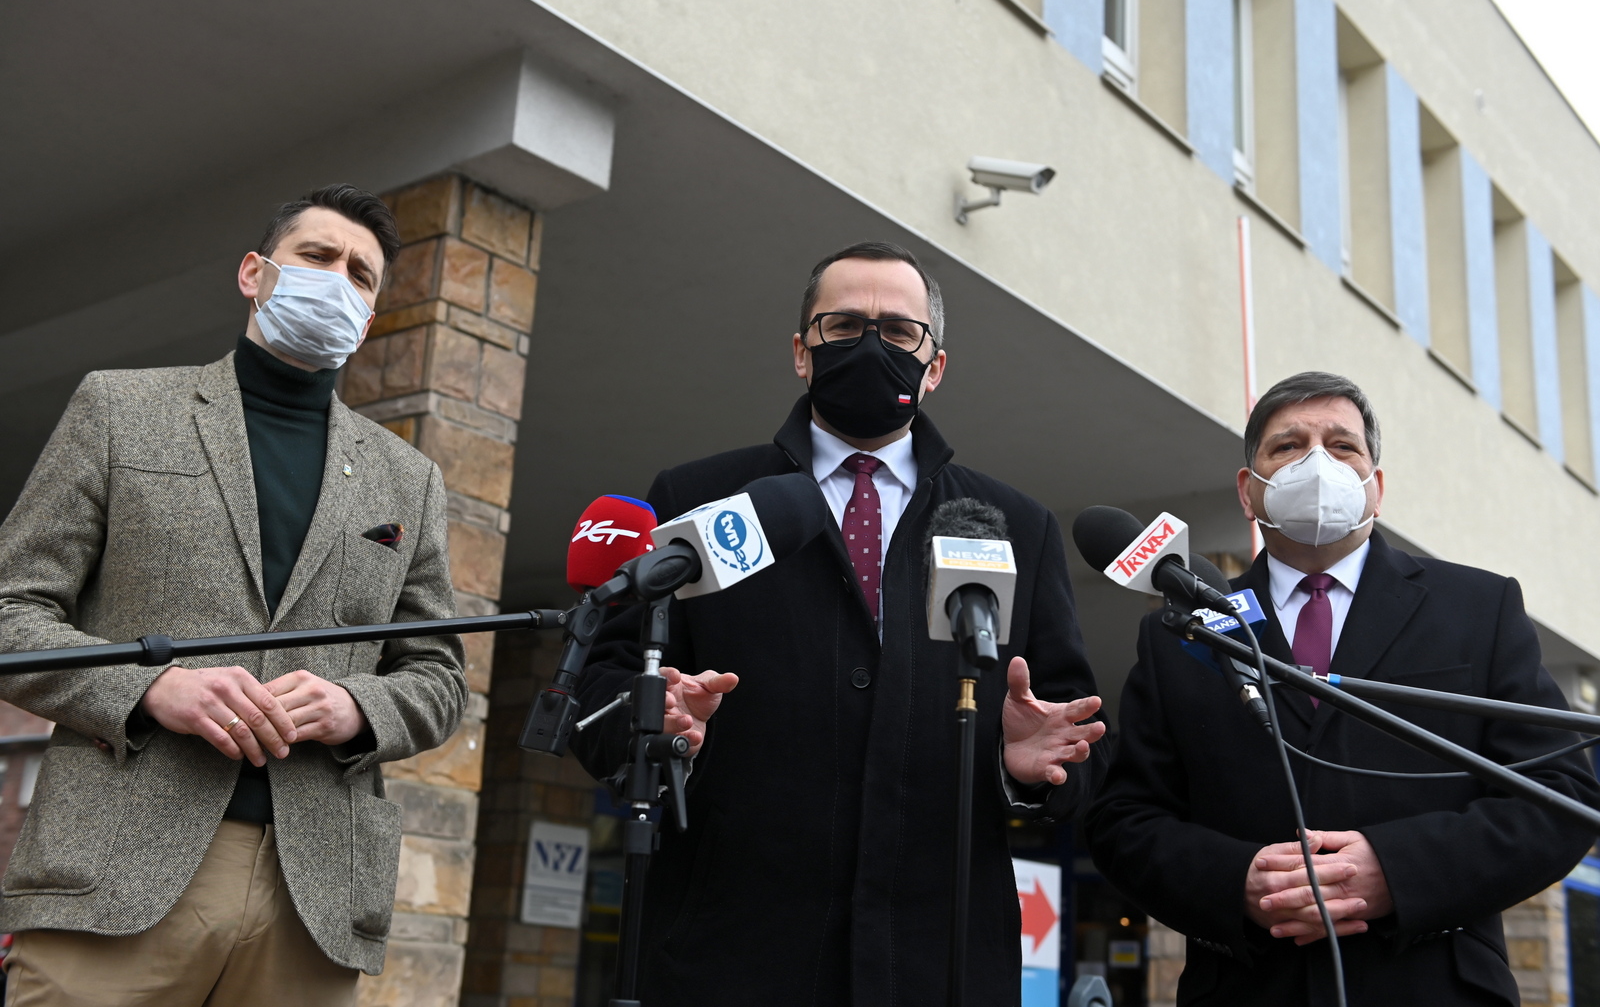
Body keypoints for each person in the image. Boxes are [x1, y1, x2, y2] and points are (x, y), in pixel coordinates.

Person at [571, 241, 1109, 1006]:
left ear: (936, 366)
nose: (869, 345)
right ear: (801, 352)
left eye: (897, 331)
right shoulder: (700, 496)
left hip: (938, 966)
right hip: (730, 959)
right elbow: (601, 688)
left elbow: (1082, 741)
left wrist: (1023, 764)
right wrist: (654, 716)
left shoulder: (1013, 525)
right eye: (843, 324)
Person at [0, 184, 467, 1006]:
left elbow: (437, 674)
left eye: (361, 274)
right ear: (254, 273)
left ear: (370, 315)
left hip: (314, 892)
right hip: (116, 870)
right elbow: (11, 613)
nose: (339, 279)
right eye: (318, 256)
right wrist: (151, 688)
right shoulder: (119, 409)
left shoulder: (411, 480)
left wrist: (357, 707)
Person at [1085, 371, 1600, 1006]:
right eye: (1288, 446)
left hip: (1433, 984)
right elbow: (1123, 822)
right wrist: (1238, 882)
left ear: (1375, 486)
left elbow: (1561, 794)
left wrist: (1396, 870)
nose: (1317, 462)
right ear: (1249, 492)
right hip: (1248, 989)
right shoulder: (1182, 635)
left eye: (1342, 445)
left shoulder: (1477, 607)